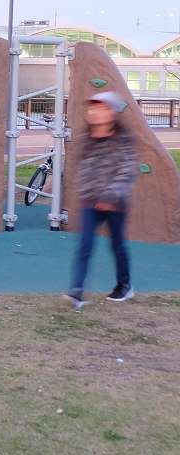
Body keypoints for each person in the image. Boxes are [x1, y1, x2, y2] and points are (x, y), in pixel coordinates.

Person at [66, 91, 137, 310]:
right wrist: (88, 195)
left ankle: (124, 285)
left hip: (115, 203)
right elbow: (84, 171)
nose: (96, 113)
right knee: (85, 245)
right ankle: (76, 292)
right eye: (93, 109)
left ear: (113, 113)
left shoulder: (123, 139)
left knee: (117, 245)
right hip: (91, 202)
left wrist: (110, 196)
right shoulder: (87, 139)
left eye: (102, 108)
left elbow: (127, 171)